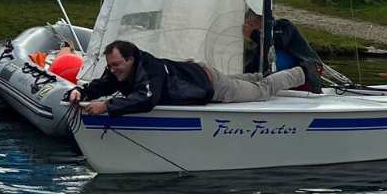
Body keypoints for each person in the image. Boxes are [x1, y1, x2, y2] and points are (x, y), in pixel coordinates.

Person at [67, 39, 311, 116]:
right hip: (197, 73)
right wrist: (82, 91)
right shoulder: (120, 71)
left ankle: (303, 72)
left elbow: (147, 99)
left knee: (262, 90)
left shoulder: (149, 69)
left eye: (116, 65)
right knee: (247, 80)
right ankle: (260, 74)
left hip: (212, 86)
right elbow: (103, 84)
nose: (113, 70)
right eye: (110, 66)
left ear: (131, 59)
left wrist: (107, 107)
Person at [242, 10, 324, 92]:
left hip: (308, 70)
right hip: (287, 79)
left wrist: (253, 35)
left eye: (251, 25)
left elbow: (278, 42)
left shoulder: (284, 26)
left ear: (260, 19)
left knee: (272, 56)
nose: (249, 27)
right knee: (259, 61)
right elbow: (255, 63)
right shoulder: (261, 45)